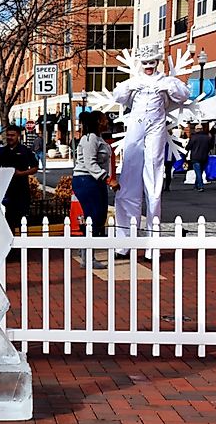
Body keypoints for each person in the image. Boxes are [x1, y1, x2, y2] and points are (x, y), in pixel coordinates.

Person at [112, 42, 189, 254]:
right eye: (145, 62)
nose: (148, 66)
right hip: (136, 126)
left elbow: (184, 94)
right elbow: (117, 96)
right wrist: (130, 87)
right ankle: (125, 241)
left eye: (152, 62)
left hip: (156, 128)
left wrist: (167, 87)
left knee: (154, 181)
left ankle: (151, 245)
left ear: (157, 62)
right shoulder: (134, 81)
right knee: (128, 179)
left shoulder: (166, 80)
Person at [72, 111, 119, 268]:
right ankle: (87, 256)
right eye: (105, 120)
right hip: (86, 180)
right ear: (98, 122)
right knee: (93, 217)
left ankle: (85, 249)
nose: (107, 122)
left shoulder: (98, 139)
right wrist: (108, 179)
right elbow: (90, 163)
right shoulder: (89, 139)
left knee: (99, 216)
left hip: (95, 182)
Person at [0, 125, 39, 231]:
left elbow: (35, 167)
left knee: (22, 220)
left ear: (18, 136)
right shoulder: (2, 152)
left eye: (12, 135)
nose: (10, 137)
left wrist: (21, 173)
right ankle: (11, 245)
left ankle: (22, 244)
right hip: (6, 190)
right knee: (9, 219)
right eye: (8, 135)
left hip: (22, 190)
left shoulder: (25, 150)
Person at [186, 124, 212, 192]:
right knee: (200, 172)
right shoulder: (207, 137)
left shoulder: (194, 137)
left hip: (195, 157)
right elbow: (211, 146)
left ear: (196, 129)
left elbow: (189, 146)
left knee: (198, 172)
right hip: (204, 156)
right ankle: (196, 185)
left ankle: (200, 186)